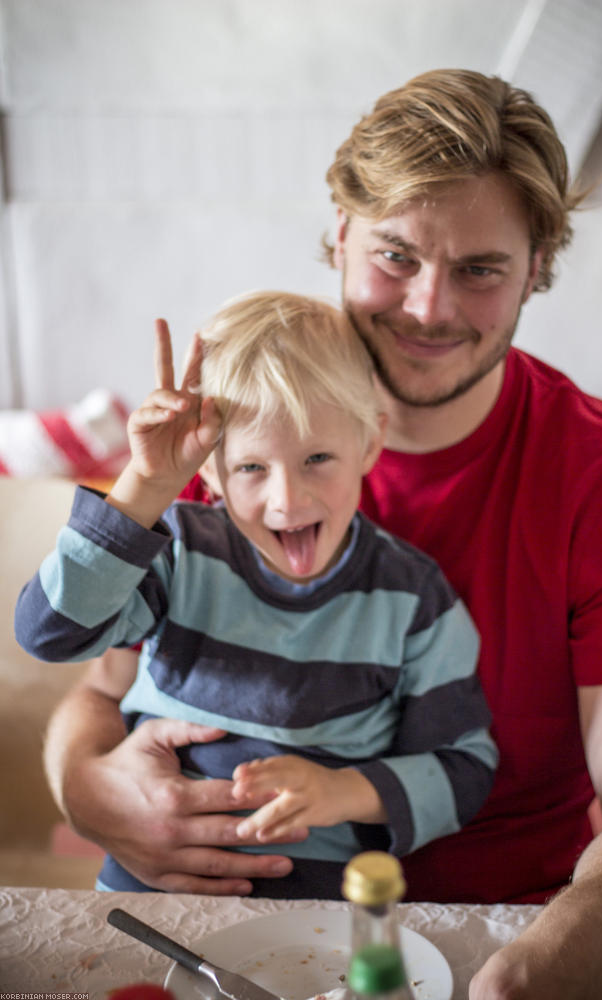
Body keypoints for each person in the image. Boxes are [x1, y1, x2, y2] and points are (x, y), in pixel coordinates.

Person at [40, 69, 602, 999]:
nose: (427, 308)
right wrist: (87, 790)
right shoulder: (237, 428)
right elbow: (99, 685)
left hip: (506, 925)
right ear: (338, 235)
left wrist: (565, 944)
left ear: (537, 266)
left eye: (480, 269)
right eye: (396, 257)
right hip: (236, 922)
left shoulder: (601, 473)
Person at [15, 290, 496, 898]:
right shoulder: (180, 553)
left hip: (321, 920)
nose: (287, 500)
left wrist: (342, 791)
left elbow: (463, 769)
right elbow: (49, 632)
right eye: (252, 468)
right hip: (149, 898)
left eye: (318, 457)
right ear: (211, 472)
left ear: (369, 444)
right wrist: (143, 487)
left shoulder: (414, 599)